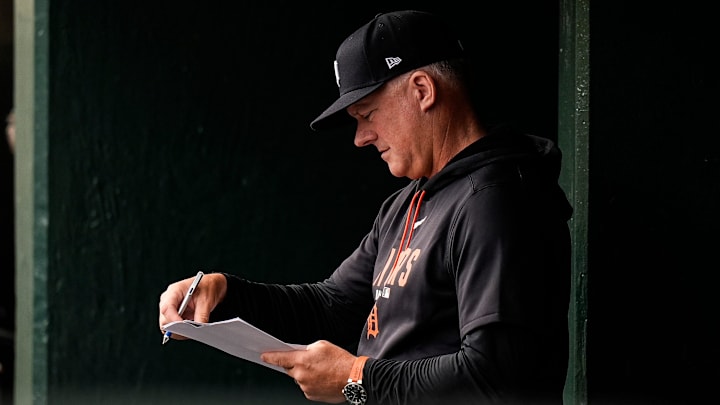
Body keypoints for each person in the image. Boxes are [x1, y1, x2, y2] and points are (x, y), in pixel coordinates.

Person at [158, 10, 572, 405]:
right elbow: (333, 306)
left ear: (423, 91)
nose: (361, 137)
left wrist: (357, 380)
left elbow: (496, 381)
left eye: (367, 114)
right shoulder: (407, 204)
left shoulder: (496, 201)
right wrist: (227, 294)